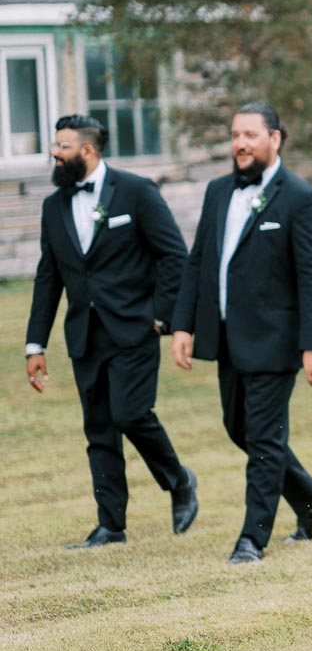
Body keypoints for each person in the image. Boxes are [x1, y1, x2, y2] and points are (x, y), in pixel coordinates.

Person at [171, 102, 312, 564]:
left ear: (275, 138)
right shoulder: (218, 191)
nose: (240, 143)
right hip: (225, 337)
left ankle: (252, 539)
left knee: (263, 439)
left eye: (250, 134)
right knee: (238, 428)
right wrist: (183, 324)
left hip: (275, 339)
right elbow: (198, 261)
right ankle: (311, 500)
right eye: (235, 135)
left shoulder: (301, 199)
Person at [25, 114, 199, 548]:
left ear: (87, 150)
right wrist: (35, 342)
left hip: (134, 329)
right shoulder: (54, 206)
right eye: (54, 144)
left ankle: (179, 480)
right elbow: (49, 276)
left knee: (131, 414)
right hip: (85, 335)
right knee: (99, 428)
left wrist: (162, 317)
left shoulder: (137, 192)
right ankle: (111, 525)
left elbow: (174, 255)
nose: (54, 152)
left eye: (62, 146)